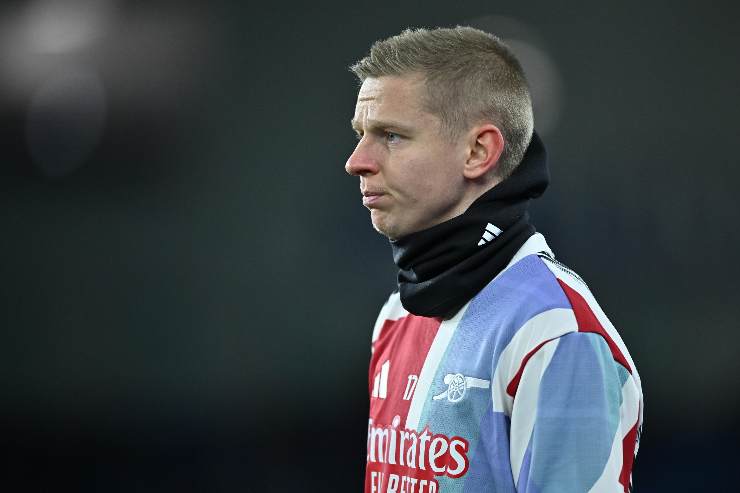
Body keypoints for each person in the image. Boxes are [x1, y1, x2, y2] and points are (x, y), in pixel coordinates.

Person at [345, 26, 643, 493]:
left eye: (392, 135)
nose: (357, 161)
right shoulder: (397, 315)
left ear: (478, 151)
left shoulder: (557, 333)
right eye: (362, 134)